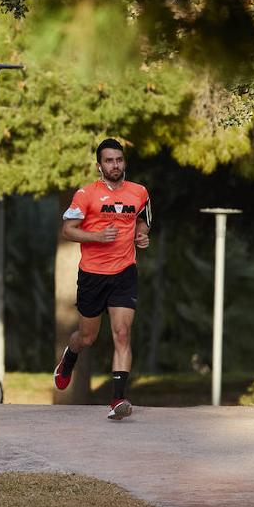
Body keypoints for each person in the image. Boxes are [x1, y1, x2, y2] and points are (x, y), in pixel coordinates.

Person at [54, 137, 151, 420]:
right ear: (100, 166)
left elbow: (142, 218)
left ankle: (118, 399)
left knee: (122, 334)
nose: (115, 165)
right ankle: (68, 360)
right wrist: (96, 236)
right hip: (92, 275)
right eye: (109, 161)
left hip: (124, 272)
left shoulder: (139, 192)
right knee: (88, 336)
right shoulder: (85, 194)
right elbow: (68, 230)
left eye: (119, 160)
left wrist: (142, 234)